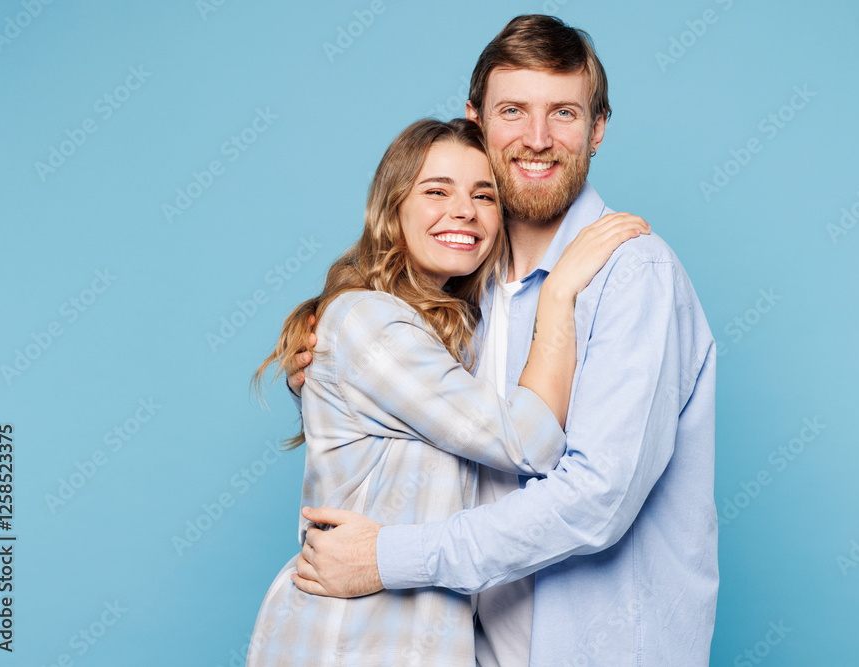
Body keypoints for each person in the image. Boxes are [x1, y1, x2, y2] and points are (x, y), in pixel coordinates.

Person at [287, 14, 719, 666]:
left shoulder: (634, 274)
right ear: (477, 121)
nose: (537, 139)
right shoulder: (464, 287)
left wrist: (387, 556)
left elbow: (596, 498)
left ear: (598, 128)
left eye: (564, 113)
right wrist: (324, 373)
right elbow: (428, 430)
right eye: (513, 110)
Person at [245, 117, 650, 665]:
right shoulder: (371, 319)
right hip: (345, 640)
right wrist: (558, 294)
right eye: (437, 191)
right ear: (394, 208)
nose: (464, 210)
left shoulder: (445, 333)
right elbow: (527, 442)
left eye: (484, 195)